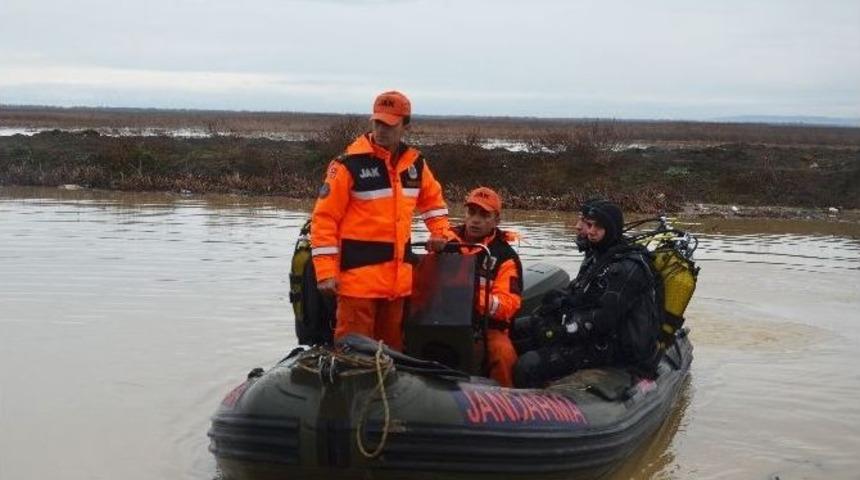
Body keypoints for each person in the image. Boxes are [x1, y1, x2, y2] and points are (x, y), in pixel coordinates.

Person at [310, 90, 450, 352]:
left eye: (389, 124)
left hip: (397, 285)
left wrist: (441, 232)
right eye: (377, 123)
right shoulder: (348, 165)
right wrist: (326, 272)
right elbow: (324, 219)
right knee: (352, 355)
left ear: (405, 125)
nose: (382, 130)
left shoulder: (415, 165)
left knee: (392, 354)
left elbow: (433, 204)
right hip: (357, 284)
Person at [513, 200, 660, 388]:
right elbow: (581, 294)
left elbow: (604, 319)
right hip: (589, 334)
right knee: (516, 329)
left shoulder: (627, 268)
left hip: (610, 347)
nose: (589, 231)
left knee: (529, 364)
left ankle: (529, 407)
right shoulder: (598, 256)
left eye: (597, 227)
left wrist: (560, 331)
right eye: (589, 225)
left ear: (611, 229)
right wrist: (555, 304)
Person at [447, 187, 522, 387]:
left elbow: (509, 304)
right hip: (444, 320)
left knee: (502, 354)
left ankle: (506, 406)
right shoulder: (446, 242)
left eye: (484, 214)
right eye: (471, 212)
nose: (475, 220)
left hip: (486, 328)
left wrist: (472, 299)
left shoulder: (506, 258)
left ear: (496, 220)